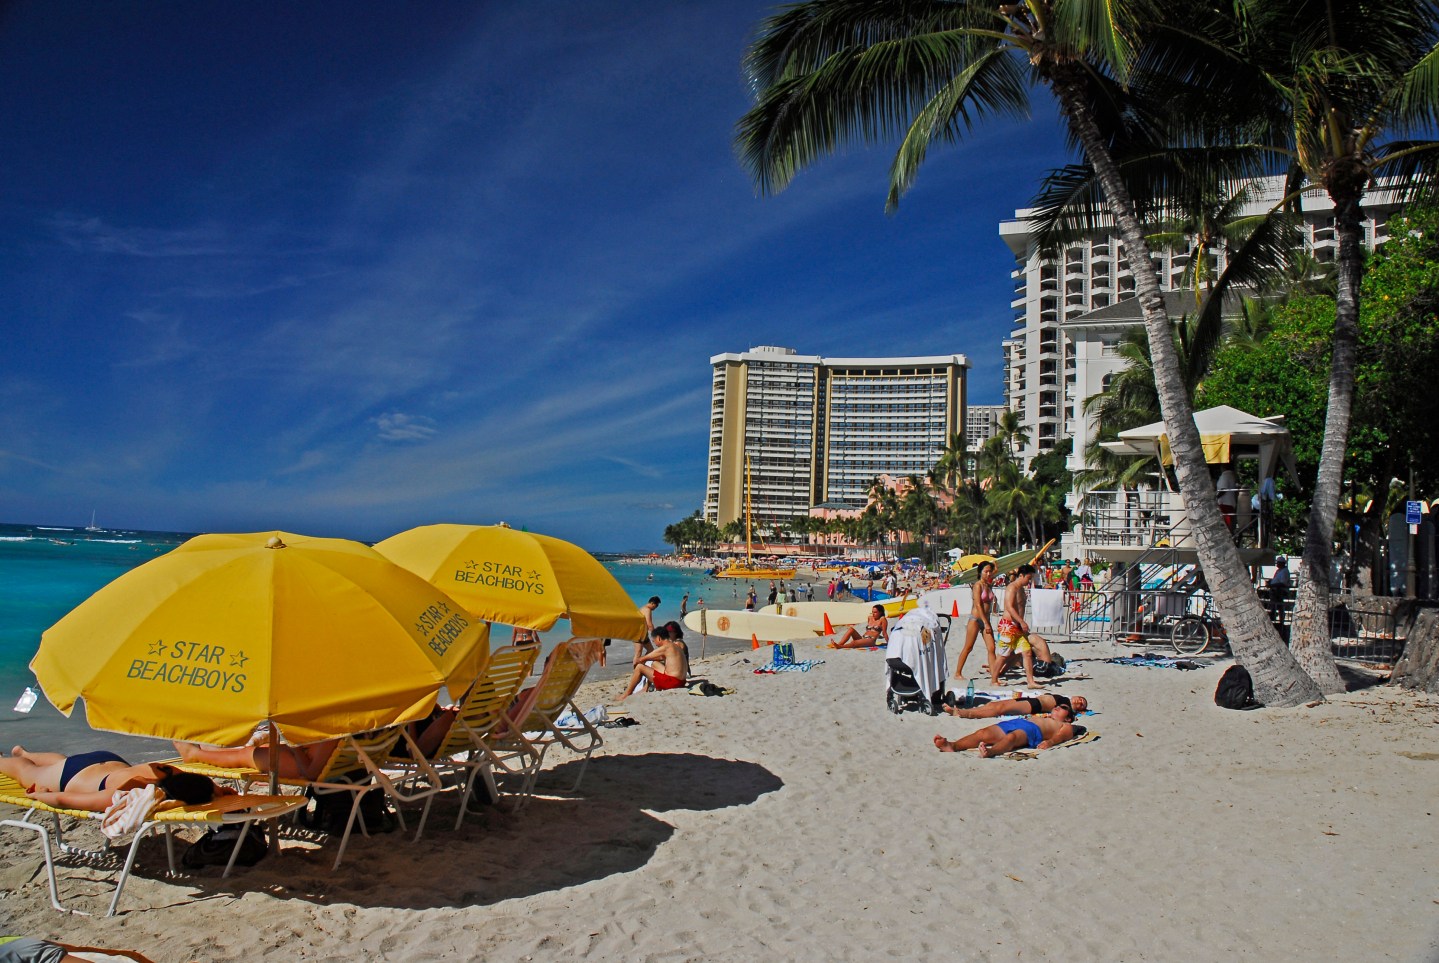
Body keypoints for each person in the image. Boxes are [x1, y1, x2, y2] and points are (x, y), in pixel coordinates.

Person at [2, 746, 223, 812]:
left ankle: (25, 752)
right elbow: (62, 799)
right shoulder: (126, 795)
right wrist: (38, 794)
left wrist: (218, 789)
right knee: (24, 772)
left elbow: (202, 783)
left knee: (62, 761)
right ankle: (12, 759)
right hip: (73, 776)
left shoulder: (163, 770)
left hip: (106, 758)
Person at [990, 564, 1057, 689]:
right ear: (1021, 575)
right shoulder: (1012, 587)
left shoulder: (1021, 589)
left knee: (1027, 652)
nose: (1029, 581)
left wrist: (1020, 623)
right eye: (1028, 578)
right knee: (1003, 655)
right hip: (1008, 626)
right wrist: (1021, 622)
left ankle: (1030, 682)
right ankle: (994, 679)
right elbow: (1009, 607)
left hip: (1017, 626)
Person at [933, 705, 1080, 756]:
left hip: (1034, 730)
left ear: (1068, 718)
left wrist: (1049, 742)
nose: (1058, 707)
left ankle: (991, 752)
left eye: (1063, 708)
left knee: (1012, 738)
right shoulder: (1046, 716)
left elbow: (1062, 737)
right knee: (982, 733)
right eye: (1057, 706)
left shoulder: (1065, 725)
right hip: (1020, 722)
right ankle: (953, 746)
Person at [615, 626, 689, 701]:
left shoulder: (665, 647)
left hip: (672, 683)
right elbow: (660, 658)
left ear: (659, 638)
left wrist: (638, 661)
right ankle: (645, 688)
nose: (654, 643)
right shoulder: (674, 646)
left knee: (640, 667)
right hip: (681, 682)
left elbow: (644, 658)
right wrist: (646, 660)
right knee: (654, 664)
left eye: (654, 640)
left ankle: (626, 694)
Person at [952, 561, 998, 678]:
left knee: (992, 648)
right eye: (986, 571)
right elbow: (978, 605)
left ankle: (994, 677)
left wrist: (995, 565)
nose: (988, 574)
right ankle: (958, 673)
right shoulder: (978, 586)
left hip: (986, 620)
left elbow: (995, 573)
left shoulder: (988, 585)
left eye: (990, 571)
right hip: (976, 620)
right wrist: (986, 623)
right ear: (980, 572)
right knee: (968, 647)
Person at [944, 692, 1088, 719]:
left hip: (1035, 706)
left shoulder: (1066, 705)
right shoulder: (1065, 698)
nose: (1079, 701)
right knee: (995, 704)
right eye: (1081, 699)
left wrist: (1075, 713)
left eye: (1081, 704)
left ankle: (964, 713)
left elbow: (1064, 715)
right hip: (1031, 700)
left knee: (1000, 709)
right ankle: (967, 711)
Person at [635, 596, 661, 663]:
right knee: (638, 653)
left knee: (651, 651)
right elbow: (649, 624)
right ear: (652, 603)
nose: (656, 608)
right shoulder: (647, 610)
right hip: (638, 634)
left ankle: (642, 664)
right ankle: (636, 668)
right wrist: (655, 635)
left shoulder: (643, 608)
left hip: (643, 634)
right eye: (656, 605)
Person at [1267, 556, 1292, 624]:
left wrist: (1273, 585)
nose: (1277, 564)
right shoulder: (1279, 571)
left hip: (1279, 591)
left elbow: (1283, 583)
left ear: (1282, 563)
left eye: (1278, 563)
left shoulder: (1284, 571)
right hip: (1274, 590)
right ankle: (1273, 618)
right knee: (1274, 605)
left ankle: (1281, 621)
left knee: (1279, 606)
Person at [1216, 463, 1240, 531]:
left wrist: (1216, 497)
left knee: (1226, 522)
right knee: (1229, 521)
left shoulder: (1225, 476)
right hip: (1230, 502)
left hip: (1224, 502)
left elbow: (1224, 489)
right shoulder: (1232, 476)